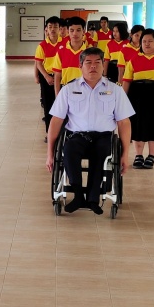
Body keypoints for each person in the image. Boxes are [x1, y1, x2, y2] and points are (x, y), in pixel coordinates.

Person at [46, 48, 133, 214]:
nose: (93, 66)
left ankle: (93, 198)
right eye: (88, 63)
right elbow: (56, 121)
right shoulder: (68, 90)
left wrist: (125, 154)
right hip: (77, 136)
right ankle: (78, 195)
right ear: (80, 66)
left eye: (97, 63)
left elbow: (124, 122)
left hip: (104, 137)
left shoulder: (115, 90)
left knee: (100, 154)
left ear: (103, 65)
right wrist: (49, 153)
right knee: (69, 150)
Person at [121, 28, 154, 170]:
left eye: (150, 41)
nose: (146, 44)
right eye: (144, 41)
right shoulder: (134, 59)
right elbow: (126, 80)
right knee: (138, 125)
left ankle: (151, 156)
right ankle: (138, 155)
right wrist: (122, 99)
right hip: (137, 94)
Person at [35, 17, 61, 133]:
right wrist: (46, 76)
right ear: (46, 29)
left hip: (61, 77)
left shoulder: (65, 43)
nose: (53, 29)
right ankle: (49, 132)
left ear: (60, 29)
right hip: (47, 77)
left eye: (55, 27)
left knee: (61, 104)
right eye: (50, 27)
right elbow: (39, 63)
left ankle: (62, 132)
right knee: (48, 104)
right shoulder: (42, 45)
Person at [52, 16, 90, 95]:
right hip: (66, 89)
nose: (75, 33)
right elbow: (57, 75)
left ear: (83, 31)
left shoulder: (89, 51)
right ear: (68, 32)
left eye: (78, 30)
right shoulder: (61, 51)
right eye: (71, 30)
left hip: (86, 90)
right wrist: (57, 95)